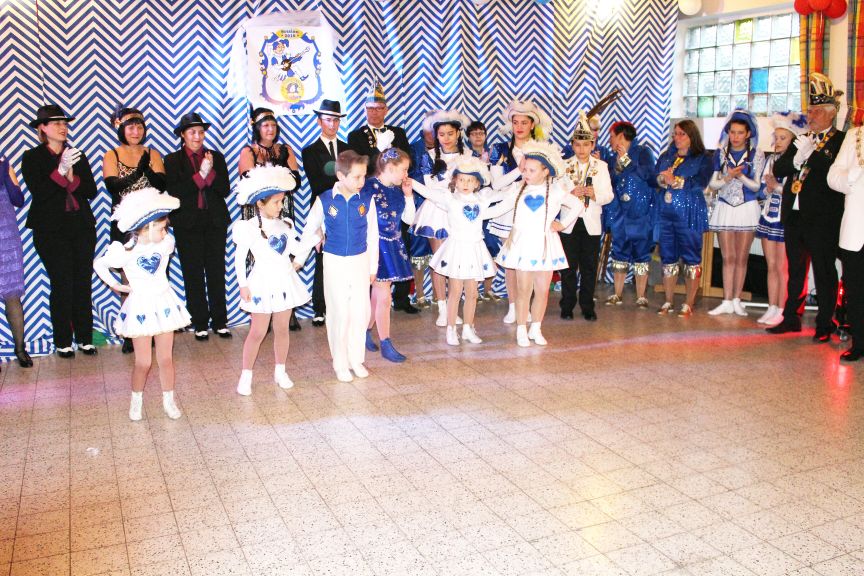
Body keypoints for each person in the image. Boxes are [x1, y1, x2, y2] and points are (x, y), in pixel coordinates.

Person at [93, 188, 190, 420]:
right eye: (161, 228)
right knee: (143, 362)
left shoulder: (165, 243)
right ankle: (136, 400)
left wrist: (163, 234)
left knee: (166, 358)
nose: (166, 232)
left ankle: (169, 400)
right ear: (147, 227)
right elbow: (99, 264)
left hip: (163, 303)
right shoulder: (125, 251)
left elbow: (163, 244)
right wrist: (116, 285)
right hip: (140, 307)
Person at [769, 73, 846, 342]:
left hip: (823, 218)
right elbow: (778, 169)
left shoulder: (840, 141)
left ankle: (825, 323)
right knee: (796, 270)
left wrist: (811, 155)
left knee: (824, 271)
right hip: (795, 215)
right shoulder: (801, 138)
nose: (810, 115)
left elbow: (834, 173)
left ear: (830, 113)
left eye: (816, 111)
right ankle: (791, 317)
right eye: (809, 110)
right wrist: (796, 159)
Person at [294, 150, 378, 383]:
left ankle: (356, 360)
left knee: (360, 312)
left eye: (364, 176)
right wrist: (299, 258)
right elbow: (310, 230)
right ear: (341, 176)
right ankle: (340, 363)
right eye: (356, 177)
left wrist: (373, 267)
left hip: (360, 260)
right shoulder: (324, 200)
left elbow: (373, 235)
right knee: (339, 313)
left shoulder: (367, 200)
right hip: (334, 261)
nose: (361, 181)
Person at [22, 104, 98, 358]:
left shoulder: (77, 154)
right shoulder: (32, 157)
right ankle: (63, 341)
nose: (63, 127)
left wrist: (72, 177)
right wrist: (60, 172)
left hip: (81, 226)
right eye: (56, 123)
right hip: (50, 230)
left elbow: (90, 190)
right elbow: (40, 192)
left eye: (64, 123)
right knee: (62, 282)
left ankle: (85, 338)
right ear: (43, 128)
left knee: (82, 282)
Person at [493, 141, 581, 347]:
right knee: (523, 290)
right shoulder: (518, 189)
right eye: (525, 169)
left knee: (542, 290)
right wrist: (475, 214)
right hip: (523, 245)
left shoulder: (556, 190)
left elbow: (577, 205)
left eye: (532, 170)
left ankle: (536, 327)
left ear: (545, 171)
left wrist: (562, 224)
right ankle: (521, 329)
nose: (526, 173)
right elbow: (499, 208)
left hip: (545, 245)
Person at [233, 166, 311, 394]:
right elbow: (239, 258)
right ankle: (246, 375)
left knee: (282, 329)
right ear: (260, 203)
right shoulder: (248, 228)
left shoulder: (285, 224)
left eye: (282, 201)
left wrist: (313, 239)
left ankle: (280, 371)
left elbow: (296, 249)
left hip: (284, 281)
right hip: (262, 282)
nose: (281, 206)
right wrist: (243, 285)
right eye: (276, 202)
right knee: (258, 331)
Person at [413, 157, 504, 345]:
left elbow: (501, 203)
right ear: (455, 180)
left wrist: (519, 190)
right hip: (457, 249)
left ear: (477, 183)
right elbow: (429, 193)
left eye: (470, 180)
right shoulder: (450, 200)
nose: (465, 184)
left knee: (472, 293)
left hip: (475, 249)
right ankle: (451, 329)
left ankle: (468, 328)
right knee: (455, 291)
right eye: (461, 179)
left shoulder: (481, 200)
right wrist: (412, 183)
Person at [346, 79, 415, 315]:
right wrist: (379, 151)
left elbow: (408, 161)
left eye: (378, 108)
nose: (374, 112)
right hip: (371, 193)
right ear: (365, 110)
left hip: (395, 193)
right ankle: (368, 301)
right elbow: (360, 164)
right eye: (370, 108)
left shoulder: (399, 133)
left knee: (400, 239)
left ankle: (402, 297)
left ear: (386, 110)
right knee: (373, 244)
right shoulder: (356, 136)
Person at [103, 104, 166, 353]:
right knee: (128, 278)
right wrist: (137, 172)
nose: (136, 131)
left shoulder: (153, 153)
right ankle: (131, 331)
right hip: (125, 223)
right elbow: (113, 186)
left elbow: (162, 184)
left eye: (139, 127)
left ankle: (156, 327)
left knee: (155, 274)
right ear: (121, 130)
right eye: (130, 127)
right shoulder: (112, 155)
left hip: (151, 223)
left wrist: (147, 168)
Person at [164, 112, 232, 342]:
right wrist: (199, 176)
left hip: (215, 221)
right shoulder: (172, 160)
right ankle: (199, 322)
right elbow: (175, 191)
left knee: (216, 271)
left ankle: (220, 321)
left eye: (201, 132)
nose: (197, 136)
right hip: (187, 223)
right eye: (192, 132)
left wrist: (209, 173)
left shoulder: (216, 157)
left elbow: (224, 189)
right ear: (183, 135)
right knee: (192, 273)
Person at [238, 106, 303, 331]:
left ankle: (287, 308)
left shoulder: (285, 149)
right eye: (265, 125)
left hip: (282, 207)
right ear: (257, 128)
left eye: (273, 125)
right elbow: (248, 182)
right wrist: (277, 177)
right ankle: (261, 308)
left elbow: (296, 180)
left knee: (285, 254)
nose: (270, 129)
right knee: (259, 257)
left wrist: (278, 178)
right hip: (259, 211)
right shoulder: (248, 151)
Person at [489, 99, 553, 324]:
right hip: (507, 211)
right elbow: (496, 184)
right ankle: (514, 306)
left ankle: (528, 305)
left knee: (530, 261)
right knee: (511, 262)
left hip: (533, 212)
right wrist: (519, 169)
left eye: (524, 122)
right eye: (515, 122)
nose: (519, 127)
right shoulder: (500, 149)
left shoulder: (541, 149)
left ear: (532, 124)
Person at [411, 109, 473, 327]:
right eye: (441, 134)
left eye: (450, 133)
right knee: (438, 260)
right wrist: (446, 200)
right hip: (437, 211)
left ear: (458, 133)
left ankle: (456, 306)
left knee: (458, 259)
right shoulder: (428, 157)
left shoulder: (468, 157)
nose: (446, 138)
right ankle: (442, 308)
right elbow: (430, 189)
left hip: (461, 212)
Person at [707, 109, 766, 317]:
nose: (735, 136)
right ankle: (726, 300)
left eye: (740, 133)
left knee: (741, 257)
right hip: (725, 206)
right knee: (728, 257)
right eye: (732, 132)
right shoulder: (720, 153)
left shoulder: (757, 154)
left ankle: (736, 300)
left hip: (747, 207)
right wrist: (728, 177)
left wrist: (739, 176)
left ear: (748, 134)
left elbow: (756, 186)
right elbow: (713, 184)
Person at [558, 111, 614, 322]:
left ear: (593, 145)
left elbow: (609, 195)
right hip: (569, 223)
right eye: (577, 145)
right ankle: (567, 305)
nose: (581, 149)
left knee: (589, 267)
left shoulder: (602, 167)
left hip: (591, 222)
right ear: (572, 145)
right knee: (568, 267)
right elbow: (557, 194)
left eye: (585, 145)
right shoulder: (564, 166)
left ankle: (587, 306)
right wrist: (571, 193)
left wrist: (595, 194)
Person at [655, 120, 713, 317]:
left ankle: (689, 303)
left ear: (691, 136)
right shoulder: (667, 156)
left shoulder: (703, 158)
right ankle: (668, 300)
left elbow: (701, 182)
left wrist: (677, 181)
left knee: (691, 256)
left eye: (682, 134)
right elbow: (654, 178)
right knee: (667, 256)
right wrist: (662, 179)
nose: (677, 137)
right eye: (675, 134)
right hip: (666, 212)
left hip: (689, 211)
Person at [364, 148, 415, 362]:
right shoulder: (368, 187)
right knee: (384, 296)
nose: (406, 174)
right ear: (390, 167)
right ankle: (385, 342)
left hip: (393, 244)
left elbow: (408, 220)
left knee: (379, 296)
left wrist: (408, 196)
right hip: (375, 247)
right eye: (403, 169)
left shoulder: (397, 190)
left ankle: (365, 331)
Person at [756, 112, 807, 326]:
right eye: (776, 137)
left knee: (783, 267)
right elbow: (761, 189)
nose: (778, 142)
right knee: (771, 265)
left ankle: (783, 307)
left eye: (783, 138)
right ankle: (772, 306)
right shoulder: (771, 160)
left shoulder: (798, 162)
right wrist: (767, 189)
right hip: (769, 215)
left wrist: (776, 187)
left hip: (785, 217)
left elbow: (796, 189)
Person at [301, 99, 348, 327]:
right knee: (322, 257)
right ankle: (319, 307)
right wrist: (341, 183)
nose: (332, 124)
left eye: (336, 120)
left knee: (344, 257)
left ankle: (341, 305)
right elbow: (317, 182)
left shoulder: (348, 148)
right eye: (328, 120)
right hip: (322, 208)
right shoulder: (310, 151)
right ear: (320, 122)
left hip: (346, 208)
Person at [605, 121, 657, 308]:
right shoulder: (613, 158)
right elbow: (610, 181)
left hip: (640, 213)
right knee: (619, 252)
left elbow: (649, 176)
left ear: (621, 136)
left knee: (642, 254)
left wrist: (627, 161)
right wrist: (618, 165)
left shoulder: (643, 152)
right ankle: (617, 294)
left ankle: (641, 296)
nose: (610, 140)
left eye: (612, 136)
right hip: (620, 212)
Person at [827, 121, 864, 361]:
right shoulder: (854, 136)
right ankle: (859, 343)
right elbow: (832, 177)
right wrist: (853, 174)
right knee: (857, 290)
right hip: (856, 229)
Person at [0, 155, 32, 368]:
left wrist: (4, 171)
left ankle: (20, 349)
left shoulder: (4, 164)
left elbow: (18, 199)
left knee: (12, 295)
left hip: (6, 236)